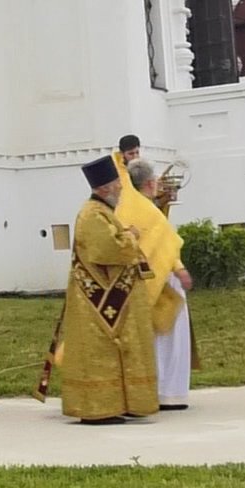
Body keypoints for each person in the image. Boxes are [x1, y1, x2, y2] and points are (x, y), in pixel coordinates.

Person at [49, 157, 157, 424]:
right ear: (105, 188)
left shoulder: (102, 211)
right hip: (94, 302)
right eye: (118, 185)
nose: (122, 189)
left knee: (115, 350)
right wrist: (131, 234)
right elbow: (110, 249)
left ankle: (119, 404)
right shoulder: (92, 214)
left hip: (107, 296)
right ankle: (97, 409)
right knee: (98, 352)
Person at [126, 159, 196, 411]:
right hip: (164, 280)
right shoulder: (150, 213)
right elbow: (166, 245)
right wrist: (181, 270)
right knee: (170, 337)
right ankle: (170, 392)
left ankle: (149, 389)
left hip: (139, 283)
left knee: (150, 338)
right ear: (150, 182)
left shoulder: (127, 206)